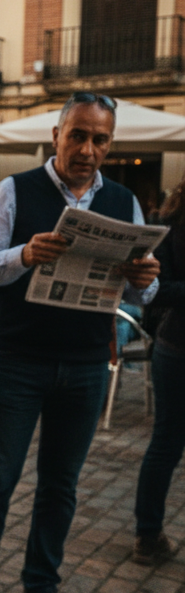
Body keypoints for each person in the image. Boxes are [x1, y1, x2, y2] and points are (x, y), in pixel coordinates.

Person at [0, 93, 160, 593]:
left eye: (101, 139)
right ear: (57, 134)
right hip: (19, 359)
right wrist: (23, 256)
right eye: (79, 136)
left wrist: (145, 281)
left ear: (111, 144)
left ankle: (40, 587)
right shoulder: (16, 189)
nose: (88, 149)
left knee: (60, 486)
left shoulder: (123, 201)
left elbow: (144, 292)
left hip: (87, 363)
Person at [132, 176, 185, 565]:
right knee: (166, 442)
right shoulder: (172, 228)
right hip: (177, 347)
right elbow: (154, 291)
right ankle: (148, 535)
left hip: (172, 346)